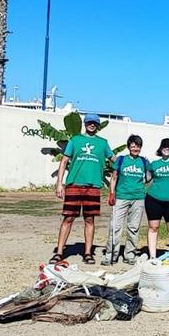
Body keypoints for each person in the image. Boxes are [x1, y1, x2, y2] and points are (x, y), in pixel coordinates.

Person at [52, 113, 115, 264]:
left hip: (93, 186)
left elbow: (115, 160)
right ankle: (59, 252)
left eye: (94, 123)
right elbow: (64, 161)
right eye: (89, 122)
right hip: (74, 184)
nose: (92, 125)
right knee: (68, 218)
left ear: (97, 125)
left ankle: (88, 253)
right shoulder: (75, 140)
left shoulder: (103, 143)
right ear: (85, 124)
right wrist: (59, 183)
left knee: (89, 219)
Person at [103, 134, 147, 265]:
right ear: (129, 147)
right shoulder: (121, 160)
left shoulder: (144, 162)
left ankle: (130, 255)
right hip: (121, 197)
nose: (135, 148)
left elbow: (149, 176)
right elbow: (114, 177)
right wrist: (112, 193)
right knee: (115, 227)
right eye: (133, 146)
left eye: (138, 146)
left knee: (133, 228)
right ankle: (111, 255)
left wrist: (142, 185)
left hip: (138, 198)